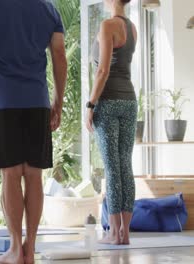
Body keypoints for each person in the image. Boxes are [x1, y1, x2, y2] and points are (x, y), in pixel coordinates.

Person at [0, 0, 67, 263]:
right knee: (34, 175)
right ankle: (30, 248)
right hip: (37, 101)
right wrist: (58, 99)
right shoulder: (48, 8)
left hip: (3, 102)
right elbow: (59, 53)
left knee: (11, 175)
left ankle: (15, 249)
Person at [86, 0, 138, 245]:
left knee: (112, 168)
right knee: (125, 166)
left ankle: (113, 233)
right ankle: (124, 233)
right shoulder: (133, 28)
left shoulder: (108, 26)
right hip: (129, 102)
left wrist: (91, 104)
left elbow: (103, 71)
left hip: (107, 102)